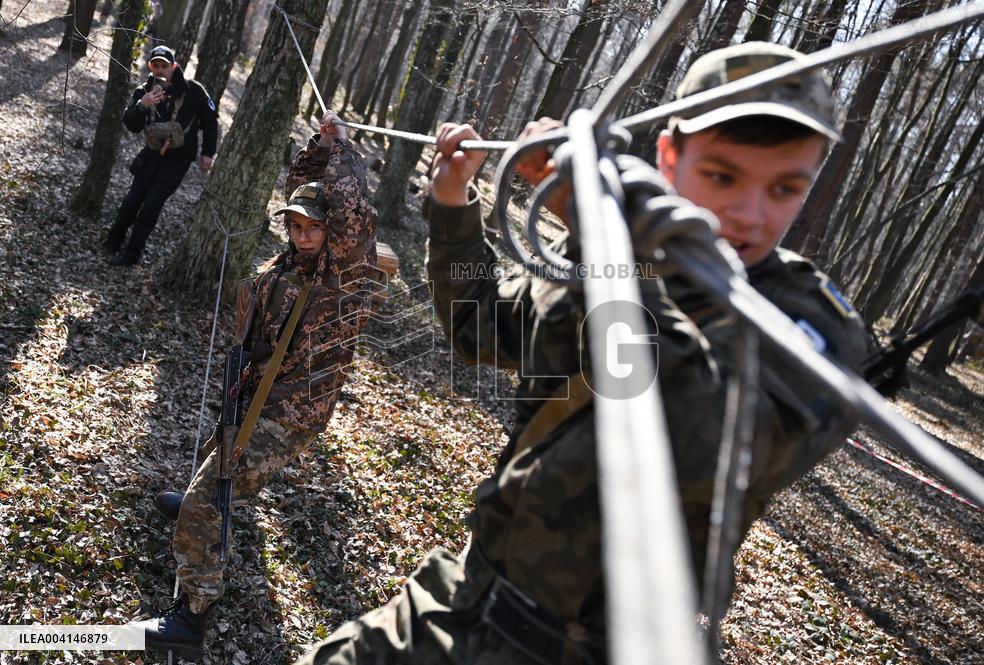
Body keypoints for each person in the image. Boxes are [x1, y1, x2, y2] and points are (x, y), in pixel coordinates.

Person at [293, 42, 868, 664]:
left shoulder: (806, 325)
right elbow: (479, 325)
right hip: (463, 597)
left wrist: (605, 239)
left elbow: (684, 429)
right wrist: (454, 203)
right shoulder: (614, 250)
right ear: (669, 156)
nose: (750, 214)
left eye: (785, 188)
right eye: (722, 176)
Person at [131, 111, 378, 660]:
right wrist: (320, 145)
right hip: (258, 389)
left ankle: (191, 617)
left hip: (289, 411)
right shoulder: (291, 261)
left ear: (333, 233)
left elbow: (353, 212)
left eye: (315, 227)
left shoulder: (342, 275)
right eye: (296, 226)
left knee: (210, 494)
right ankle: (200, 508)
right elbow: (303, 186)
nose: (304, 235)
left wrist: (343, 148)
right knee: (214, 461)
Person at [103, 44, 219, 266]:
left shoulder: (194, 91)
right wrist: (142, 106)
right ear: (150, 67)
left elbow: (210, 122)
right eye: (155, 66)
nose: (159, 70)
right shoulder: (143, 91)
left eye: (164, 66)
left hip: (178, 161)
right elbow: (132, 125)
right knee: (131, 202)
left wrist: (208, 153)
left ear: (174, 67)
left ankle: (131, 255)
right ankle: (112, 243)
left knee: (151, 206)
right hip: (151, 155)